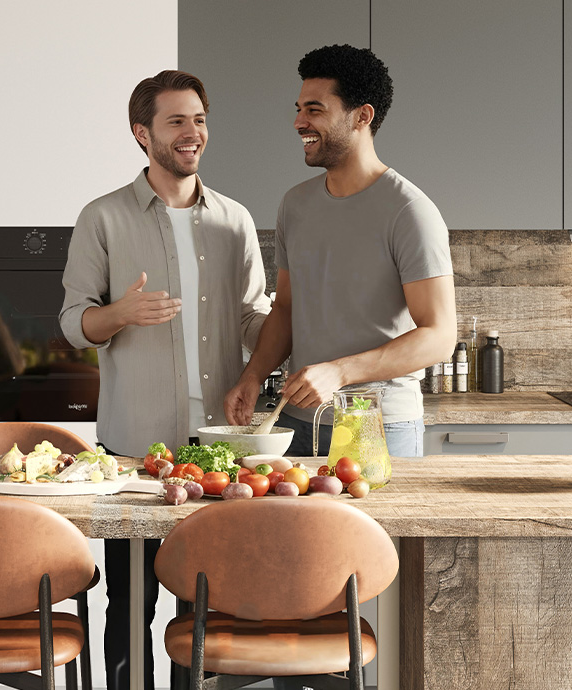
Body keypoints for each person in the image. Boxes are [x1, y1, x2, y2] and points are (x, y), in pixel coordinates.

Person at [60, 70, 271, 690]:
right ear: (141, 133)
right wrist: (119, 314)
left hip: (221, 450)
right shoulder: (101, 217)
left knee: (207, 598)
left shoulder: (236, 220)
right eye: (176, 121)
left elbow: (253, 315)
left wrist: (292, 340)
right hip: (132, 451)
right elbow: (74, 323)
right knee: (130, 603)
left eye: (199, 119)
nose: (192, 133)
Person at [224, 44, 456, 458]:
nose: (298, 122)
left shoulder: (409, 211)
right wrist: (253, 376)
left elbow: (439, 337)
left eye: (314, 110)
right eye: (298, 109)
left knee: (373, 527)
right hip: (297, 419)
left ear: (362, 116)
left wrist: (341, 371)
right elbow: (286, 311)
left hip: (377, 424)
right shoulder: (295, 205)